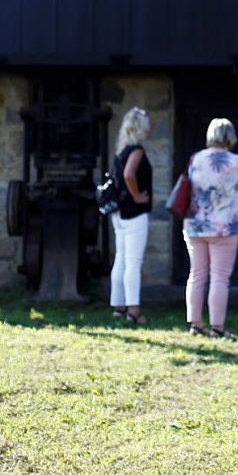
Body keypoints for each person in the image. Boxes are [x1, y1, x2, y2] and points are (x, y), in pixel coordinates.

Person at [183, 117, 238, 338]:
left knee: (196, 275)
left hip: (196, 223)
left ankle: (195, 323)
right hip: (225, 226)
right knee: (220, 277)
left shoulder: (196, 158)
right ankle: (217, 327)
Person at [109, 106, 154, 326]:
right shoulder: (136, 151)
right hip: (134, 212)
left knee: (121, 260)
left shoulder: (122, 151)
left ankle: (118, 306)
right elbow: (129, 175)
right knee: (133, 262)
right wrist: (137, 196)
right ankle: (134, 310)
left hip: (119, 212)